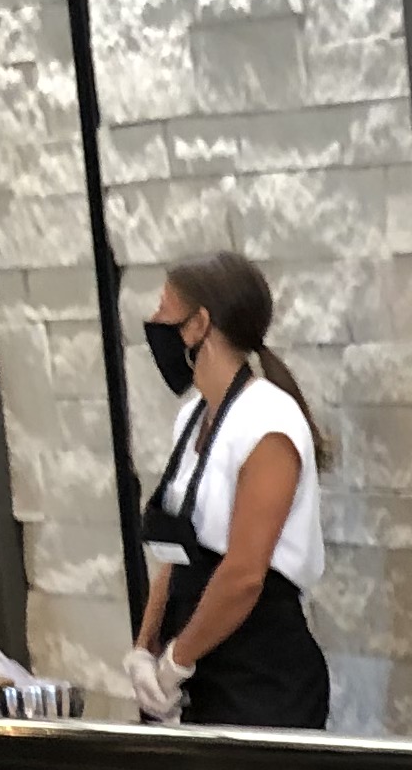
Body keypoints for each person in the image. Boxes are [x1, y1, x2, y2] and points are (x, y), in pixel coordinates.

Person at [122, 253, 329, 730]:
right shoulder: (192, 416)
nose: (154, 321)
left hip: (261, 677)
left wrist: (177, 661)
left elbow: (243, 575)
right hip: (200, 664)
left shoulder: (269, 422)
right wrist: (146, 648)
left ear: (198, 325)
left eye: (164, 309)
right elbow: (175, 555)